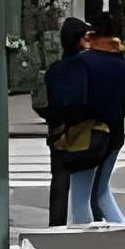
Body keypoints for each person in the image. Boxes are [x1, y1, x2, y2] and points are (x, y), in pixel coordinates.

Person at [75, 15, 125, 225]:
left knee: (80, 199)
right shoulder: (122, 64)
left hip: (86, 135)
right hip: (115, 135)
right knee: (102, 193)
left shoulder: (83, 62)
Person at [40, 15, 95, 226]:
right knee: (88, 191)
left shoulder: (55, 69)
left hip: (58, 133)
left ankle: (56, 227)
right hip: (84, 132)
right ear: (79, 40)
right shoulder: (86, 65)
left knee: (60, 184)